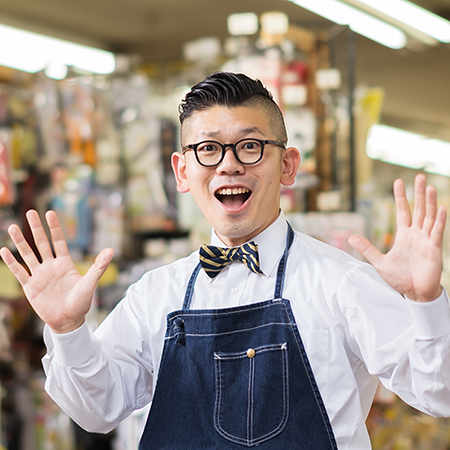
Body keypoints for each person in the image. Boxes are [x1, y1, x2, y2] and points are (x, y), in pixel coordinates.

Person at [1, 72, 450, 449]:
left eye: (250, 147)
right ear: (182, 171)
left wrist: (426, 302)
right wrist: (67, 331)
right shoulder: (155, 295)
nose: (229, 165)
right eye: (208, 149)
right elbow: (96, 412)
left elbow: (440, 394)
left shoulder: (343, 282)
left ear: (288, 166)